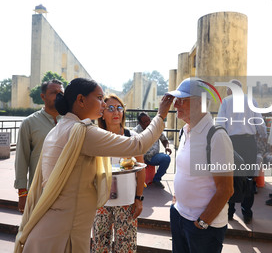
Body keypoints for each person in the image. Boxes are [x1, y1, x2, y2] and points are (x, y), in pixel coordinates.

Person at [14, 78, 173, 253]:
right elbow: (138, 145)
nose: (103, 105)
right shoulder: (82, 132)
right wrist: (161, 115)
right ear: (81, 100)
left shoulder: (59, 128)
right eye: (99, 98)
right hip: (64, 234)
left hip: (51, 226)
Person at [167, 78, 234, 253]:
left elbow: (226, 189)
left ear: (201, 103)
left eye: (182, 100)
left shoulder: (216, 136)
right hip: (180, 215)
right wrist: (177, 203)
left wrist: (203, 222)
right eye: (176, 100)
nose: (175, 105)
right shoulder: (185, 130)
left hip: (203, 225)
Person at [92, 94, 145, 253]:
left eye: (119, 108)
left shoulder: (132, 138)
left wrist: (138, 199)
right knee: (100, 246)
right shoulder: (95, 138)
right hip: (101, 202)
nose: (116, 112)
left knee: (126, 247)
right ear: (102, 113)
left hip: (127, 202)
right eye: (110, 108)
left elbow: (141, 170)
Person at [217, 79, 267, 224]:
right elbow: (260, 122)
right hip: (249, 142)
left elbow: (220, 123)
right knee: (248, 177)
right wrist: (264, 136)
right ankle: (247, 212)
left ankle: (230, 211)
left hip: (232, 142)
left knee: (230, 176)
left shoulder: (226, 101)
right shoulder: (251, 100)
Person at [14, 79, 64, 213]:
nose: (58, 96)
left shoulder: (70, 122)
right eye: (53, 92)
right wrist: (22, 193)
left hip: (66, 190)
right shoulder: (29, 123)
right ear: (43, 96)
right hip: (39, 191)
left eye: (61, 92)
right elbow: (21, 159)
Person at [134, 112, 171, 188]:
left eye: (149, 120)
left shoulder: (155, 128)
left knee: (166, 158)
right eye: (145, 122)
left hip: (154, 157)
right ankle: (137, 182)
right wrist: (141, 160)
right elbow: (133, 147)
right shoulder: (135, 132)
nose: (148, 123)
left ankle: (156, 179)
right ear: (140, 123)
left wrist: (167, 147)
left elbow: (164, 140)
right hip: (140, 158)